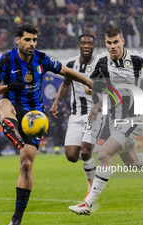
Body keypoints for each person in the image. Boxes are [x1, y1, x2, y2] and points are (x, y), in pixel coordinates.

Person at [0, 24, 92, 225]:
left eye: (34, 40)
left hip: (34, 118)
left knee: (26, 166)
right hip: (13, 109)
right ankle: (12, 131)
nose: (32, 43)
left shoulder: (42, 58)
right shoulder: (7, 60)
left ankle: (16, 220)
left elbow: (66, 71)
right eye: (27, 39)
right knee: (3, 104)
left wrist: (88, 81)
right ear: (18, 40)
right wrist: (7, 87)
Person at [68, 25, 143, 215]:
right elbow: (90, 86)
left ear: (122, 41)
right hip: (115, 121)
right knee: (133, 162)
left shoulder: (136, 58)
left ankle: (88, 204)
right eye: (109, 43)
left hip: (133, 117)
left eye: (116, 42)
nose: (112, 46)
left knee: (103, 155)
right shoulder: (101, 61)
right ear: (106, 43)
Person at [50, 34, 102, 203]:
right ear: (79, 45)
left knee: (85, 151)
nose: (86, 45)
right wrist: (56, 102)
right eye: (83, 43)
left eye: (90, 43)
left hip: (94, 113)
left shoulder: (100, 65)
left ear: (94, 46)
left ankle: (91, 189)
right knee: (72, 156)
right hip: (75, 114)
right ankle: (97, 152)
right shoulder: (71, 63)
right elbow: (65, 83)